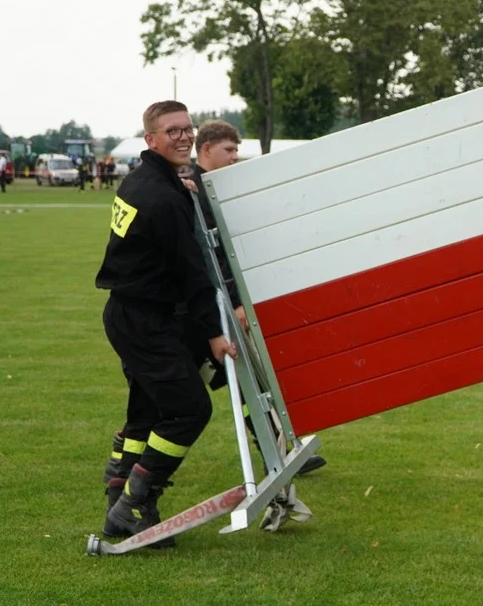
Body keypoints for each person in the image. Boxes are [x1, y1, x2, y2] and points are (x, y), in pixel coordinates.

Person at [96, 101, 237, 547]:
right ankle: (135, 504)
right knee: (190, 410)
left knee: (148, 411)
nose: (183, 136)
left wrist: (184, 189)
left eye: (186, 129)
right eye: (171, 131)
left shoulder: (146, 180)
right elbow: (192, 273)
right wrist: (216, 334)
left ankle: (121, 501)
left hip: (133, 313)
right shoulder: (160, 196)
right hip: (144, 319)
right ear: (151, 139)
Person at [187, 120, 328, 475]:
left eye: (237, 150)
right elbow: (212, 259)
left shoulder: (218, 186)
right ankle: (125, 460)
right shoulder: (192, 191)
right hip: (205, 308)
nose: (235, 158)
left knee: (253, 381)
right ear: (206, 149)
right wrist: (234, 303)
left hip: (219, 303)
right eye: (228, 150)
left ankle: (277, 455)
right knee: (175, 395)